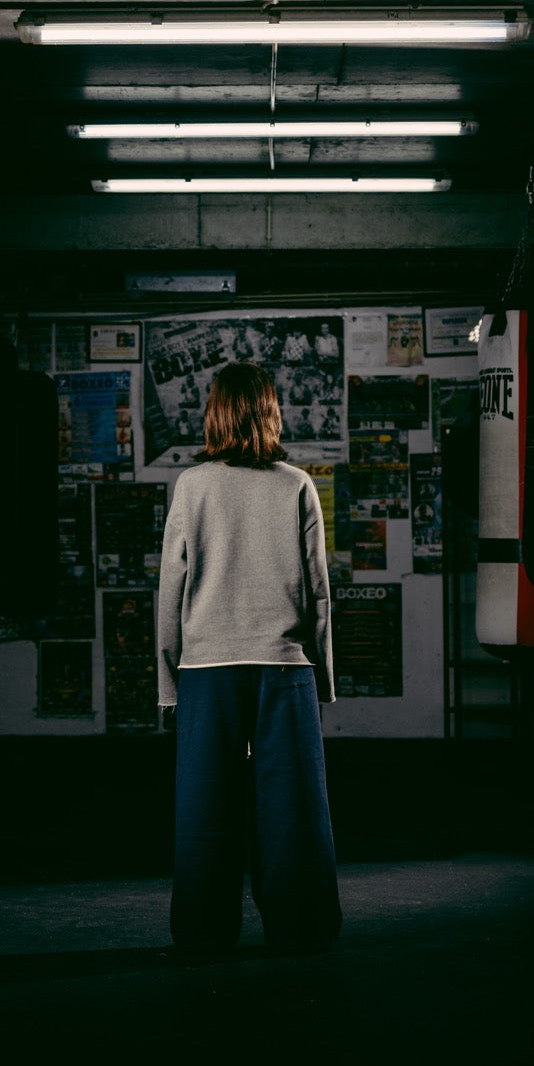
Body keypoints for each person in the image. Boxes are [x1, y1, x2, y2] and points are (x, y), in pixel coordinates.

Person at [157, 361, 342, 955]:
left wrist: (168, 683)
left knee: (204, 807)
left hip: (207, 670)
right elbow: (319, 591)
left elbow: (172, 588)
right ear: (270, 411)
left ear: (213, 412)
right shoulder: (296, 484)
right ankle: (303, 926)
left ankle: (204, 932)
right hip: (285, 668)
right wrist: (326, 681)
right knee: (292, 809)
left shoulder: (193, 485)